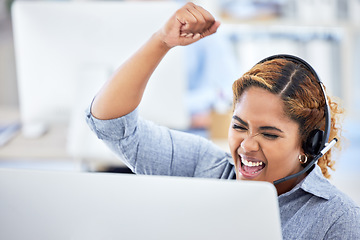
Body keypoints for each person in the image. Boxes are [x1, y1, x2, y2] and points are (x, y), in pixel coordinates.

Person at [86, 2, 360, 239]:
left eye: (269, 134)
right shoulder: (205, 169)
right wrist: (161, 41)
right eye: (239, 126)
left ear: (308, 145)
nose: (247, 145)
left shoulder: (337, 219)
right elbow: (111, 124)